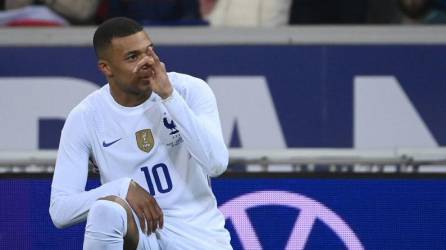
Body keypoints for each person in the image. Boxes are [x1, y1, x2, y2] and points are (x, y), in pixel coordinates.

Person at [49, 17, 232, 250]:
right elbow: (60, 210)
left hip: (199, 239)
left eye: (149, 51)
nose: (147, 62)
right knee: (107, 211)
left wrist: (169, 98)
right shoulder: (86, 117)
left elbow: (216, 165)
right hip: (143, 237)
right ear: (106, 68)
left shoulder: (188, 90)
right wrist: (122, 188)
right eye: (132, 57)